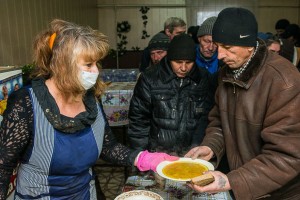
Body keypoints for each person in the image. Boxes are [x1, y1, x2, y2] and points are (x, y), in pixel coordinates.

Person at [0, 19, 178, 199]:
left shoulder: (90, 98)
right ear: (63, 65)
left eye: (96, 64)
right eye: (88, 65)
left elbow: (108, 147)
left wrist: (144, 159)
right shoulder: (26, 103)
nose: (95, 71)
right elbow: (3, 164)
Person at [185, 7, 300, 200]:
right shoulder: (226, 72)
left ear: (249, 45)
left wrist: (232, 181)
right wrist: (211, 146)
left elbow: (287, 156)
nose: (219, 55)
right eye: (217, 45)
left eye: (228, 48)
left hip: (280, 192)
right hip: (246, 184)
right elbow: (219, 122)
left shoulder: (285, 81)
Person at [128, 33, 214, 157]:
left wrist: (198, 144)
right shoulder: (150, 78)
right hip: (157, 153)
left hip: (192, 152)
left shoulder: (203, 78)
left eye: (188, 62)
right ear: (169, 59)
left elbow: (207, 116)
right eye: (178, 62)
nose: (183, 68)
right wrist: (142, 155)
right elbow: (138, 120)